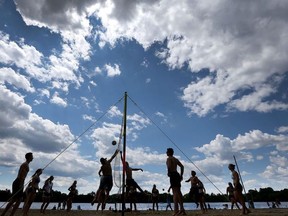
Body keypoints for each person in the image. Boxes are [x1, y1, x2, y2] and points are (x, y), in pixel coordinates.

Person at [166, 148, 186, 216]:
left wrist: (168, 173)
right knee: (177, 192)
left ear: (169, 152)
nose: (166, 153)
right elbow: (182, 167)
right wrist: (181, 175)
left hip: (173, 175)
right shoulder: (175, 159)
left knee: (176, 192)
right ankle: (179, 210)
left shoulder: (169, 158)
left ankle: (179, 210)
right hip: (177, 175)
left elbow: (168, 166)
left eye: (167, 152)